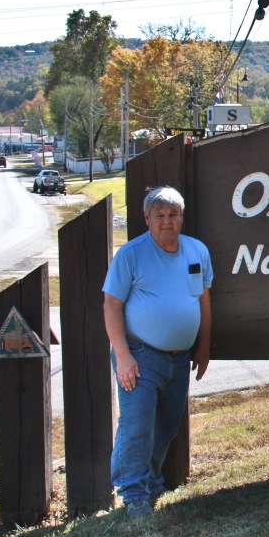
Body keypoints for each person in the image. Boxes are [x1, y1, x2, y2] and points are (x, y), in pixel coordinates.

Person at [102, 186, 213, 518]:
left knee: (166, 426)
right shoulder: (131, 254)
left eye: (173, 215)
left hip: (180, 358)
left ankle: (149, 486)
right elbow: (111, 304)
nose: (167, 222)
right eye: (160, 216)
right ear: (146, 218)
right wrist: (123, 355)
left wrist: (204, 347)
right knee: (137, 425)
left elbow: (204, 301)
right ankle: (133, 494)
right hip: (140, 354)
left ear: (182, 218)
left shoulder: (197, 250)